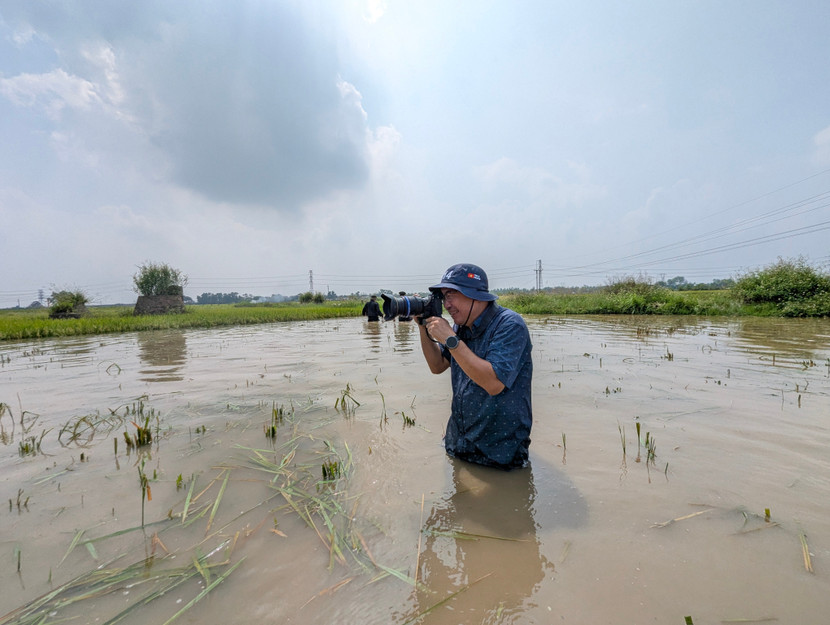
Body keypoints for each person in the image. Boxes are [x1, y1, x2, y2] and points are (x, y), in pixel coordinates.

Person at [418, 263, 533, 469]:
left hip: (498, 450)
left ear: (475, 295)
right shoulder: (460, 327)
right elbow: (437, 366)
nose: (447, 304)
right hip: (459, 441)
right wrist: (423, 326)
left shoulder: (509, 325)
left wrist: (451, 339)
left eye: (452, 294)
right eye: (444, 296)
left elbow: (493, 383)